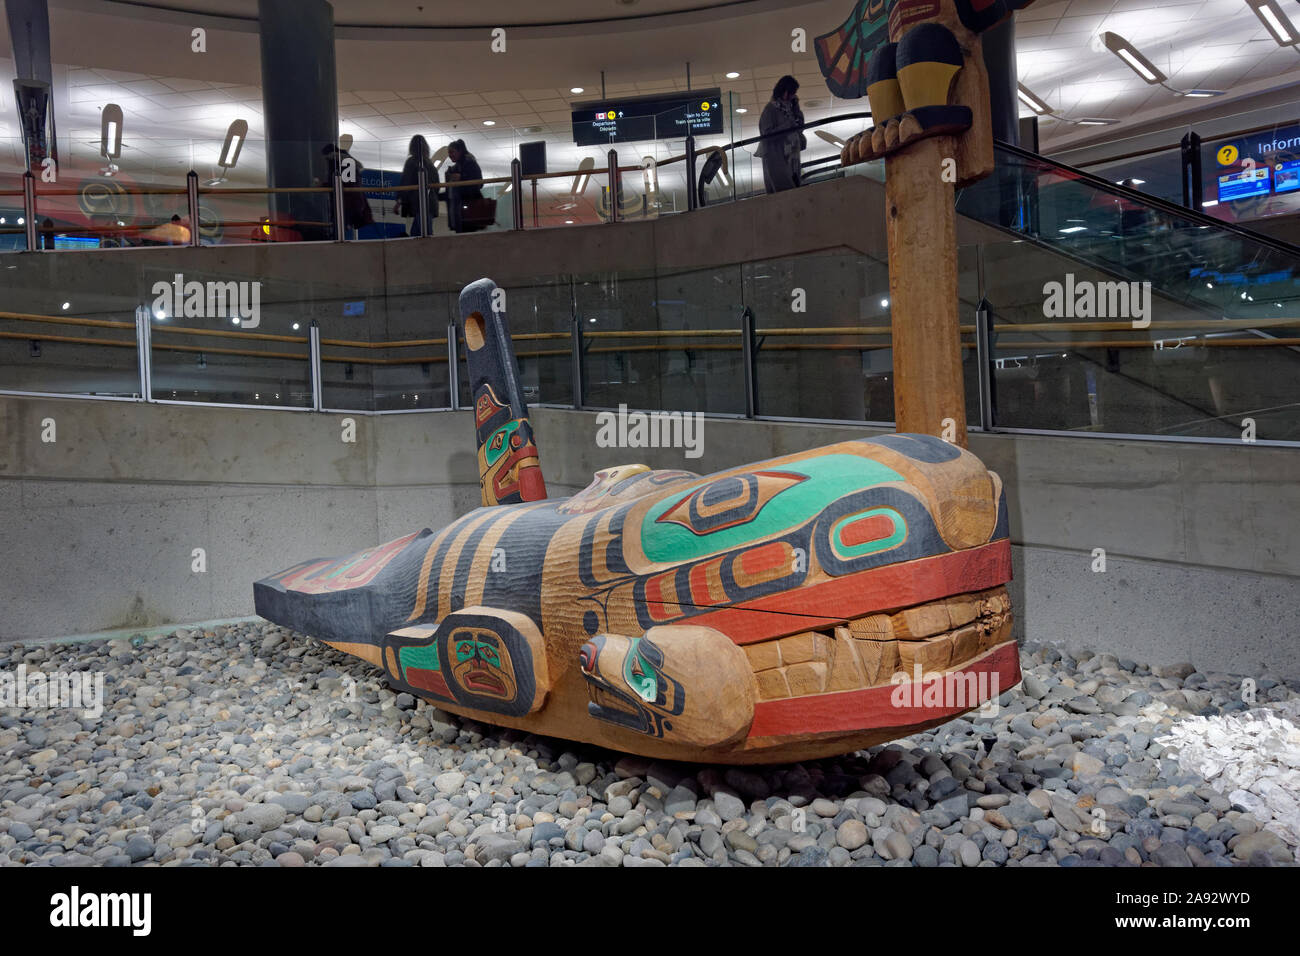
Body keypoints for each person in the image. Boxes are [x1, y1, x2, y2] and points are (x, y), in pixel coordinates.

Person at [756, 75, 805, 194]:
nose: (793, 96)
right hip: (776, 156)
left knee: (794, 188)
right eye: (791, 93)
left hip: (792, 156)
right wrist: (787, 126)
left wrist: (796, 109)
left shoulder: (791, 108)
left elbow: (800, 127)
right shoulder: (770, 109)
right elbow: (766, 135)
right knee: (784, 191)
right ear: (784, 91)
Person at [321, 143, 374, 239]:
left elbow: (336, 182)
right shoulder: (349, 160)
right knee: (350, 223)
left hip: (344, 200)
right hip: (356, 199)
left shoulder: (334, 160)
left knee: (340, 224)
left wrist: (321, 185)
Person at [397, 134, 439, 236]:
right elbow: (437, 185)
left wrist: (400, 200)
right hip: (431, 202)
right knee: (423, 230)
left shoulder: (411, 162)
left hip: (418, 202)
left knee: (419, 233)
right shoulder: (429, 163)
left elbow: (405, 182)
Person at [445, 138, 484, 233]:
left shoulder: (469, 163)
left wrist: (461, 178)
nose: (450, 155)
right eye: (449, 153)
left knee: (467, 235)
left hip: (467, 208)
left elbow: (479, 183)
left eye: (452, 152)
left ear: (460, 151)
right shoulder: (457, 167)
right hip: (462, 209)